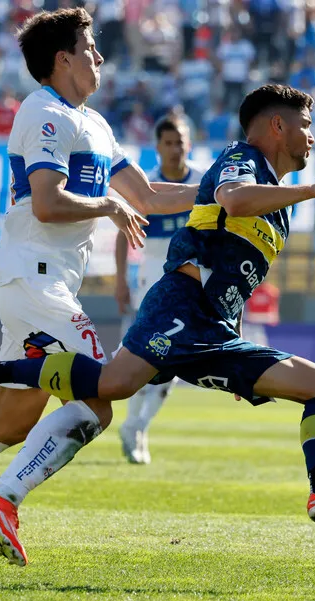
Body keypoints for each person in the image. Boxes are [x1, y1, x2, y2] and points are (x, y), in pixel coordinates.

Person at [0, 84, 315, 566]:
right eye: (305, 126)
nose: (311, 137)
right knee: (116, 389)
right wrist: (314, 189)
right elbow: (230, 199)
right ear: (278, 126)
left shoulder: (278, 199)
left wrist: (237, 340)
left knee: (121, 386)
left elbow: (236, 267)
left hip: (213, 328)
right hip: (180, 308)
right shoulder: (243, 159)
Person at [0, 8, 198, 567]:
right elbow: (47, 204)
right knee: (100, 400)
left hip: (41, 284)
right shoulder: (43, 112)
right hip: (35, 278)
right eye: (90, 46)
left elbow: (146, 196)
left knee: (10, 423)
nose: (100, 57)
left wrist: (221, 190)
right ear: (63, 58)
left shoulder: (93, 123)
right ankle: (4, 495)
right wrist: (107, 205)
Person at [114, 115, 206, 465]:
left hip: (194, 278)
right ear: (158, 147)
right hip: (153, 274)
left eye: (179, 141)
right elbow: (126, 234)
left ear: (189, 143)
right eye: (167, 143)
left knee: (178, 360)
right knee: (144, 356)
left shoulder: (203, 182)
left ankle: (136, 426)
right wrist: (120, 279)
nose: (174, 149)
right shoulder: (146, 185)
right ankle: (134, 427)